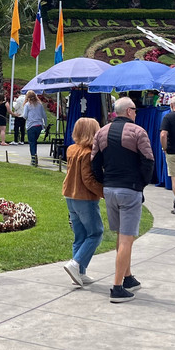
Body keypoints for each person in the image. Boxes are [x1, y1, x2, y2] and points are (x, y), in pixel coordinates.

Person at [90, 96, 153, 303]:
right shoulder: (138, 132)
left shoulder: (101, 132)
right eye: (134, 109)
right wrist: (140, 184)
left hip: (110, 189)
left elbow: (94, 163)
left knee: (121, 236)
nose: (136, 113)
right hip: (130, 189)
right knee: (127, 239)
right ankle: (117, 288)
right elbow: (148, 162)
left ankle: (127, 277)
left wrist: (105, 181)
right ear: (128, 111)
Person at [61, 117, 103, 287]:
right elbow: (88, 179)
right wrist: (103, 192)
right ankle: (76, 264)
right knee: (96, 233)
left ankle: (79, 273)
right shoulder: (89, 153)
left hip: (69, 195)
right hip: (84, 197)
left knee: (80, 235)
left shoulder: (71, 149)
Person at [22, 90, 48, 166]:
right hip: (39, 125)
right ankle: (34, 155)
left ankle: (33, 158)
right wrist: (45, 125)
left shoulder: (27, 105)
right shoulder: (40, 104)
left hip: (31, 125)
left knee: (32, 142)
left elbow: (25, 116)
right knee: (35, 141)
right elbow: (44, 115)